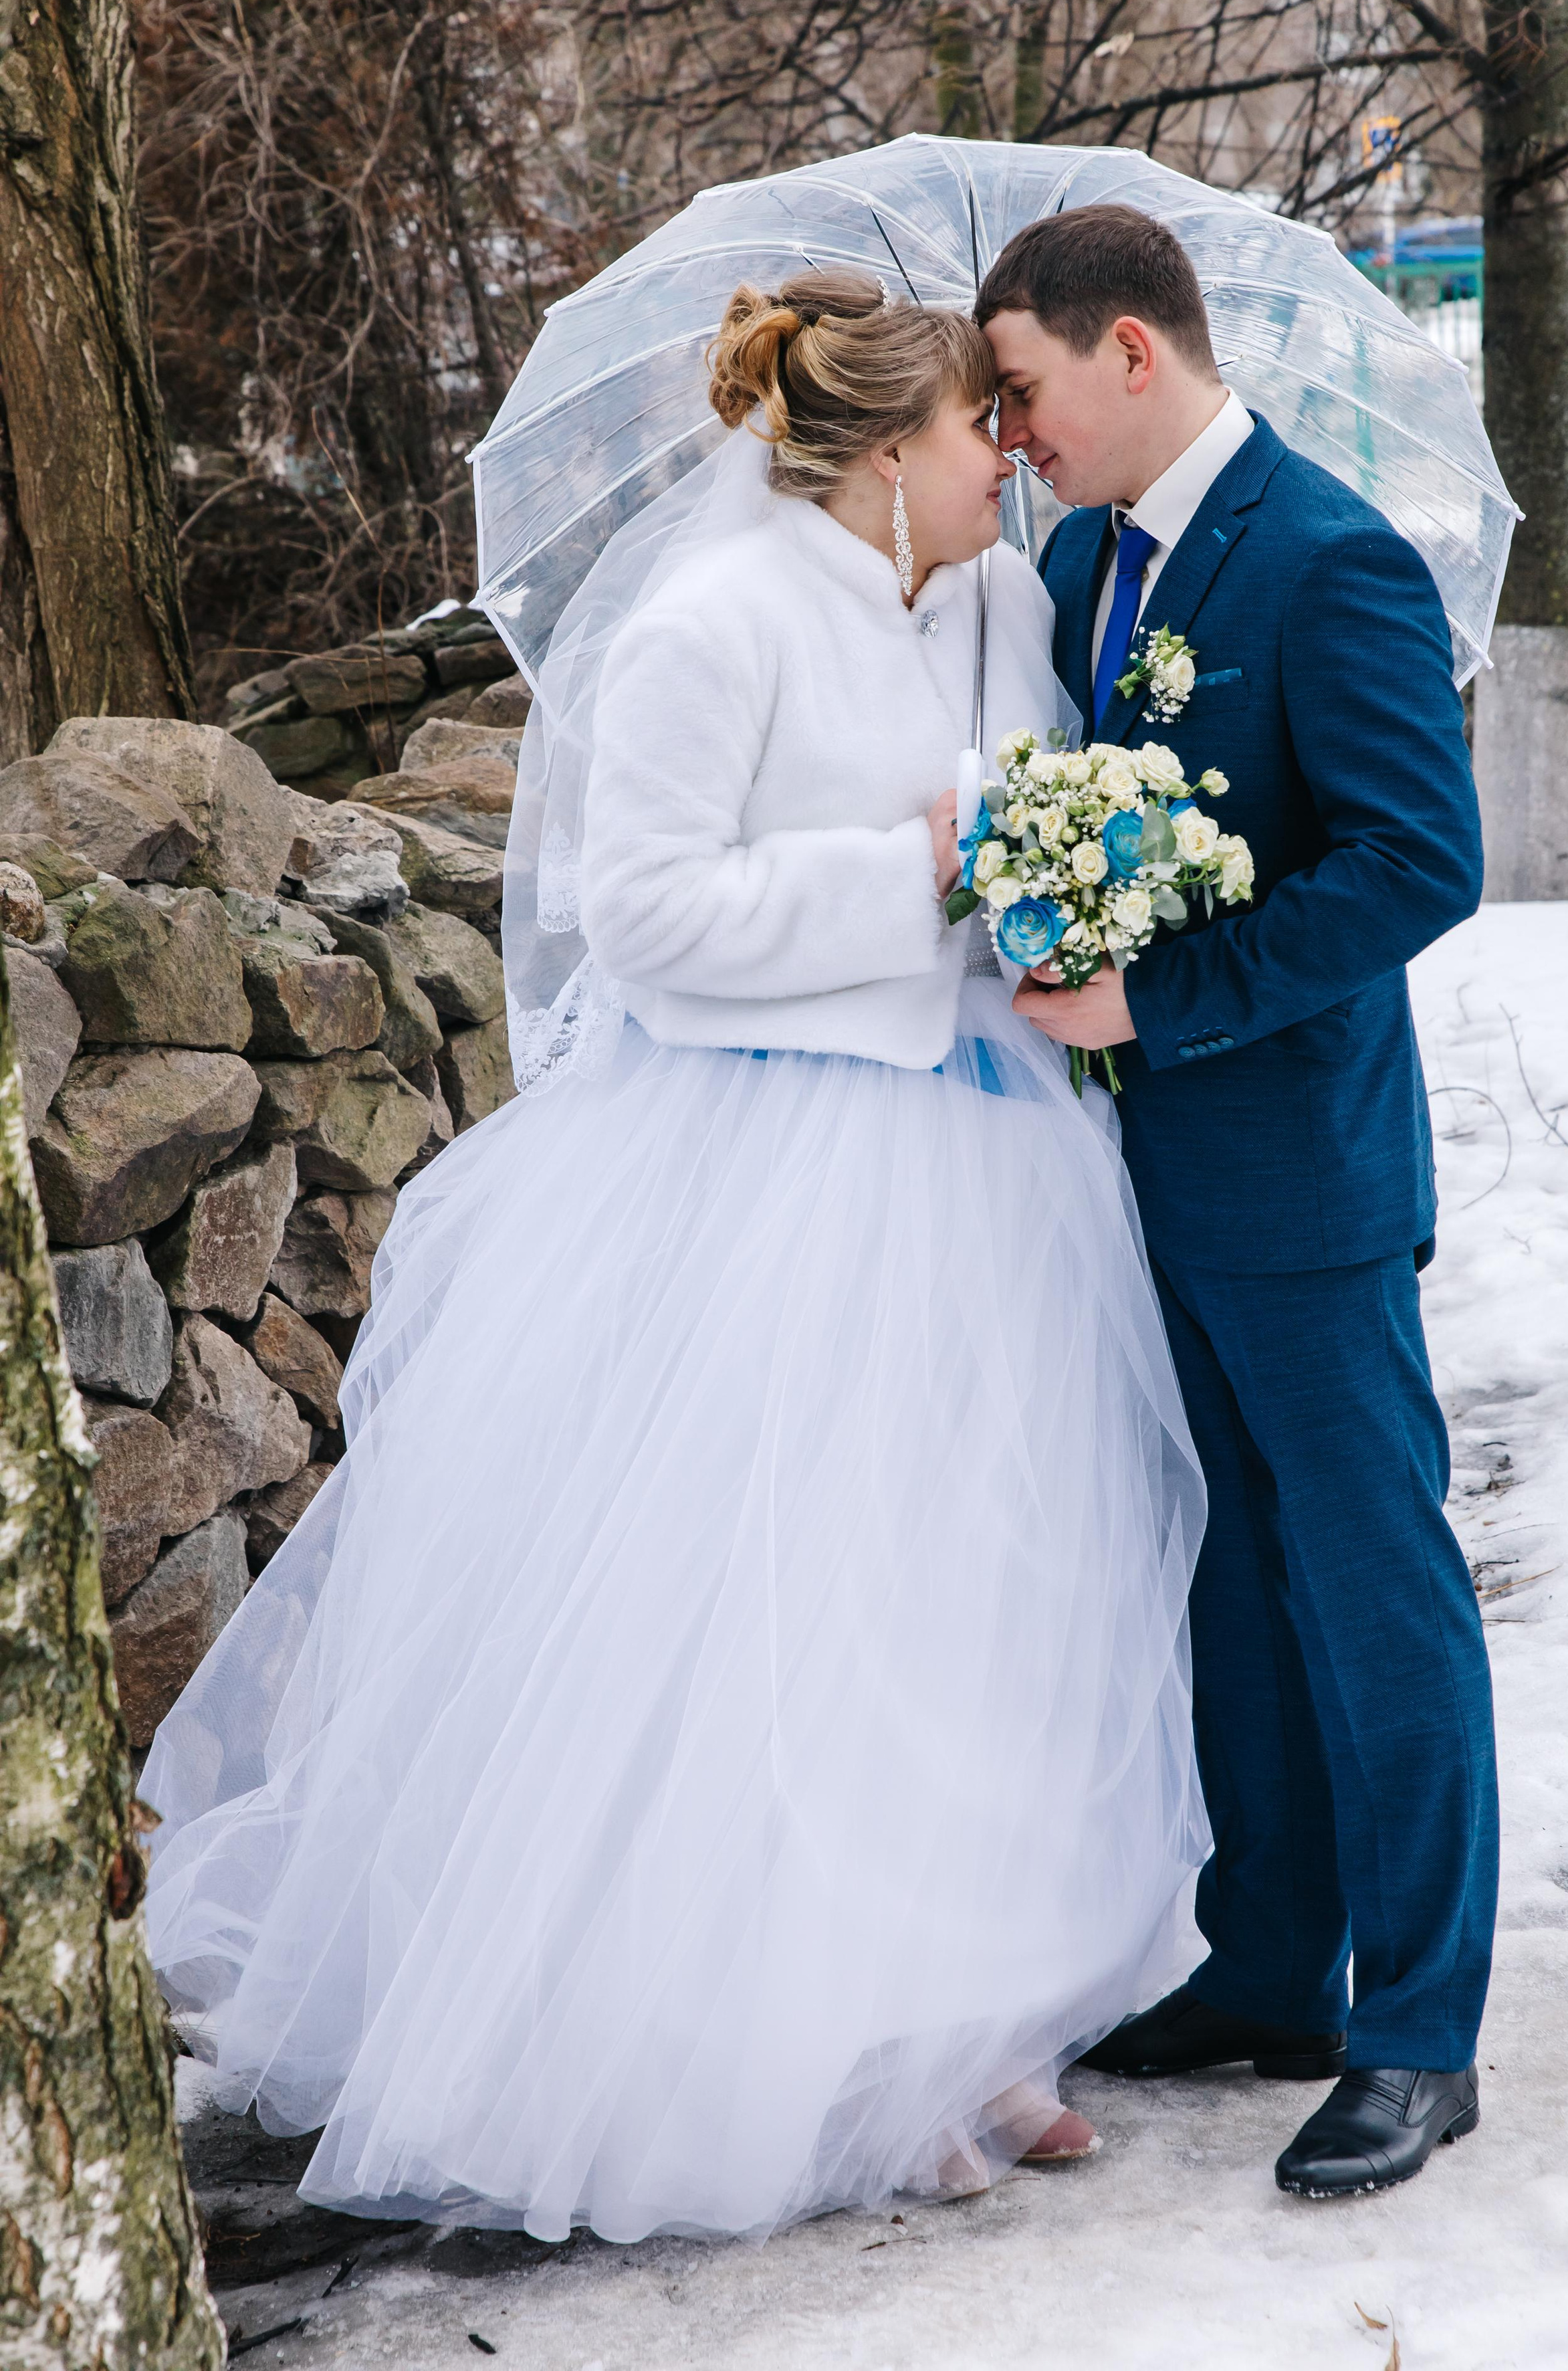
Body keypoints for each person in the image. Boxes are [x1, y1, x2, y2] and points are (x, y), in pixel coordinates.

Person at [138, 269, 1208, 2245]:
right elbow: (643, 921)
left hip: (987, 1169)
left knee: (973, 1592)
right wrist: (931, 871)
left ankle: (971, 2021)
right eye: (985, 431)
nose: (1012, 459)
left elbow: (1033, 823)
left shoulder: (1000, 601)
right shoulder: (715, 628)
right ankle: (815, 2046)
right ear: (891, 453)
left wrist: (1058, 881)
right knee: (789, 1611)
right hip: (768, 1167)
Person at [976, 205, 1498, 2201]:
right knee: (1231, 1579)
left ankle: (1419, 2030)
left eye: (1022, 390)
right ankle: (1271, 1968)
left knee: (1373, 1582)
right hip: (1144, 1174)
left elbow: (1412, 864)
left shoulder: (1330, 557)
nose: (1010, 435)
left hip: (1303, 1170)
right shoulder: (1089, 560)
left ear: (1131, 354)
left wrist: (1162, 993)